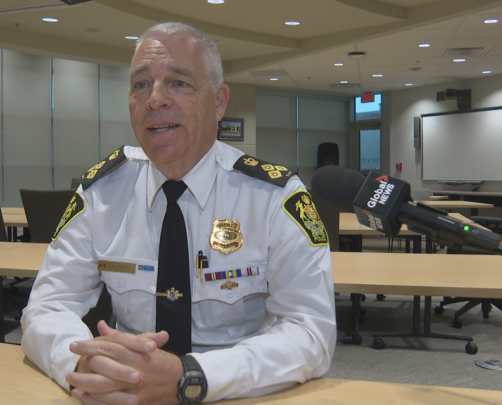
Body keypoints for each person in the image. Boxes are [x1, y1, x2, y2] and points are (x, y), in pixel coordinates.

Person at [21, 22, 336, 405]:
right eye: (141, 84)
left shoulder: (273, 198)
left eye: (179, 83)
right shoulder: (100, 194)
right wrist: (84, 363)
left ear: (219, 102)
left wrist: (190, 376)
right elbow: (47, 307)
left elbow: (311, 332)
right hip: (125, 394)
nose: (155, 99)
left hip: (234, 394)